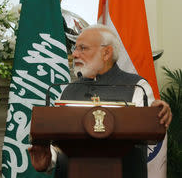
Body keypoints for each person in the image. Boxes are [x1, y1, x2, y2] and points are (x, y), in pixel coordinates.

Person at [29, 24, 172, 178]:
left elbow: (150, 125)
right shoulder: (68, 89)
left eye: (83, 48)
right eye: (75, 49)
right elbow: (59, 141)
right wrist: (48, 159)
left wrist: (157, 113)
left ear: (106, 53)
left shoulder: (137, 87)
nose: (75, 54)